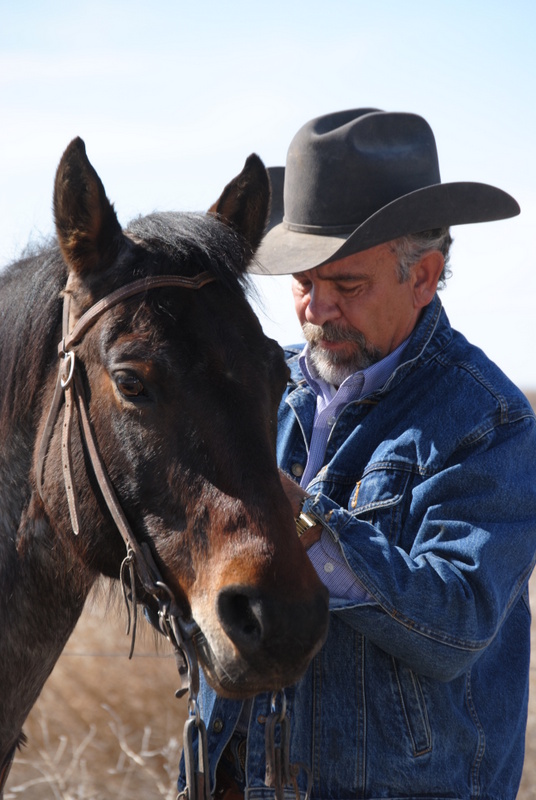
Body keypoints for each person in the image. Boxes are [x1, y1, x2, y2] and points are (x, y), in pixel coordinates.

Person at [178, 108, 536, 800]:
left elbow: (456, 623)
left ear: (425, 277)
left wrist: (304, 521)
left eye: (347, 285)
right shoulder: (259, 390)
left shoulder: (487, 421)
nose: (317, 309)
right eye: (304, 283)